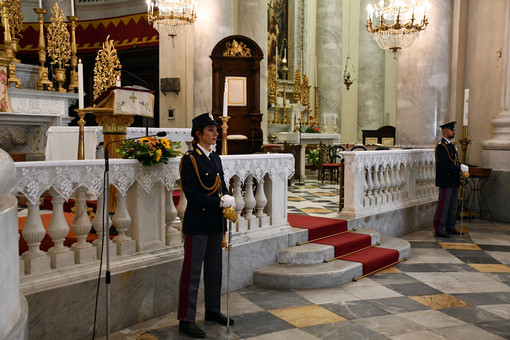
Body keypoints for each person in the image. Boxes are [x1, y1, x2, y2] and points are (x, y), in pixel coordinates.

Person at [177, 113, 236, 338]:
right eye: (211, 130)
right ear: (198, 133)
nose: (216, 133)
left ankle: (212, 310)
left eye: (216, 129)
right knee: (192, 273)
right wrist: (218, 201)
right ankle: (186, 318)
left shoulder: (215, 157)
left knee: (214, 269)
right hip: (198, 223)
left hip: (215, 222)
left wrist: (228, 197)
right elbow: (192, 195)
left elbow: (220, 183)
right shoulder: (190, 160)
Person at [433, 121, 469, 238]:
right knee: (443, 205)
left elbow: (454, 161)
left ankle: (450, 226)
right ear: (444, 131)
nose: (453, 132)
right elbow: (444, 164)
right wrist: (458, 168)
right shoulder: (441, 146)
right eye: (451, 130)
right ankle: (439, 228)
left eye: (454, 130)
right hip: (446, 180)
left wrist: (460, 167)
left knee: (452, 205)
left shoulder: (451, 146)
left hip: (453, 180)